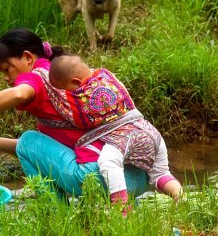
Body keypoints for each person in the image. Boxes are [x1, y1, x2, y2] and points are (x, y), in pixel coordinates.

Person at [0, 27, 149, 200]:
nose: (6, 78)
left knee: (29, 139)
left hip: (100, 179)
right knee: (30, 143)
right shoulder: (61, 82)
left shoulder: (39, 76)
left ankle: (56, 214)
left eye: (6, 69)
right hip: (133, 178)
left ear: (28, 58)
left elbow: (19, 94)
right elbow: (34, 152)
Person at [48, 53, 182, 205]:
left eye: (65, 89)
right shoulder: (106, 75)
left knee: (109, 162)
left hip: (126, 136)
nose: (66, 94)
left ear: (76, 82)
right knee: (161, 174)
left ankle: (121, 208)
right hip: (150, 131)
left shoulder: (83, 98)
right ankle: (180, 198)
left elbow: (70, 113)